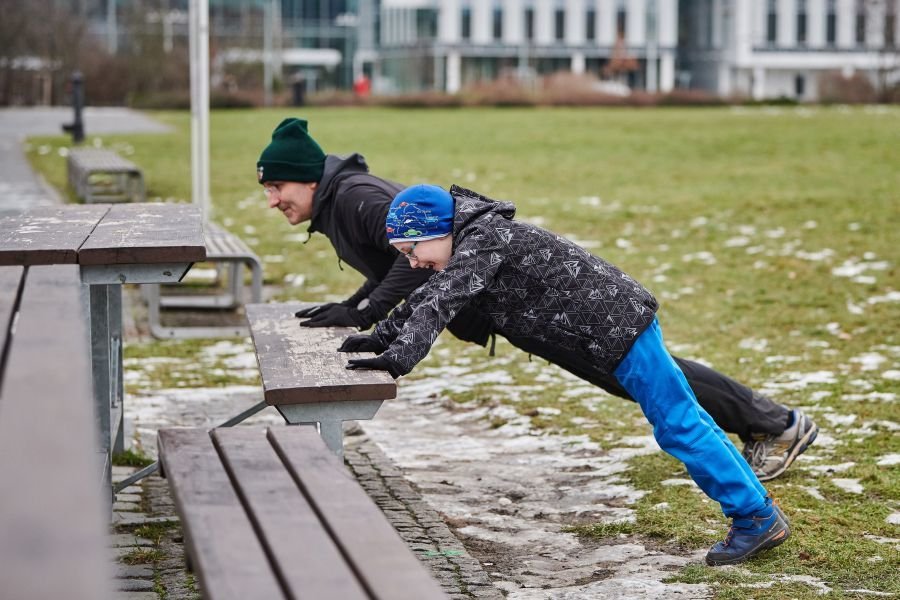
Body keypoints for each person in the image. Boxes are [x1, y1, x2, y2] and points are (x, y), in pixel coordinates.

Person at [255, 117, 818, 481]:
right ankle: (767, 425)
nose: (273, 200)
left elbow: (417, 260)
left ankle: (774, 424)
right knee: (635, 377)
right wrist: (363, 307)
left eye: (276, 188)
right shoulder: (340, 201)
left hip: (542, 304)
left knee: (647, 376)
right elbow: (405, 263)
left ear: (306, 179)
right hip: (515, 307)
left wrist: (369, 313)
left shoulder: (357, 200)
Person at [339, 183, 792, 566]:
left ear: (437, 231)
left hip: (619, 329)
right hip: (612, 330)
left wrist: (398, 358)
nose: (412, 262)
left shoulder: (483, 239)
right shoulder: (473, 240)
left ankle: (754, 517)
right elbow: (432, 292)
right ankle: (756, 512)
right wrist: (381, 337)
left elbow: (444, 300)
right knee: (685, 419)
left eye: (412, 250)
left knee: (679, 425)